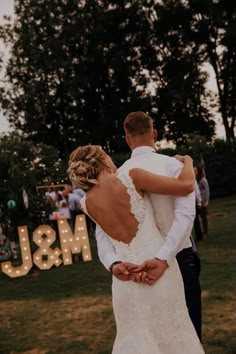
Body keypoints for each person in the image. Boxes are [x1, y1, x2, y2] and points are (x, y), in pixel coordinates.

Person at [68, 145, 204, 353]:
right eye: (106, 153)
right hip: (158, 271)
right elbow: (186, 186)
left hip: (125, 280)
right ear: (102, 160)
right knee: (175, 338)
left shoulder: (87, 203)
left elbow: (103, 242)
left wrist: (114, 266)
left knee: (135, 340)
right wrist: (186, 161)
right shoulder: (131, 177)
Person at [96, 112, 202, 341]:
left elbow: (101, 229)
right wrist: (164, 258)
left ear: (127, 139)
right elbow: (185, 215)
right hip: (180, 259)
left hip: (136, 270)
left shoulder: (117, 176)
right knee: (188, 336)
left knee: (151, 339)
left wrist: (112, 262)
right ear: (154, 134)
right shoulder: (175, 166)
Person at [194, 166, 210, 239]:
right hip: (197, 201)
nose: (194, 172)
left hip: (203, 201)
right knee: (197, 217)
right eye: (193, 171)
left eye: (196, 171)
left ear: (199, 171)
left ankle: (205, 232)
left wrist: (206, 201)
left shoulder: (203, 180)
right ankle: (200, 233)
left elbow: (207, 190)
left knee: (204, 217)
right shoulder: (195, 180)